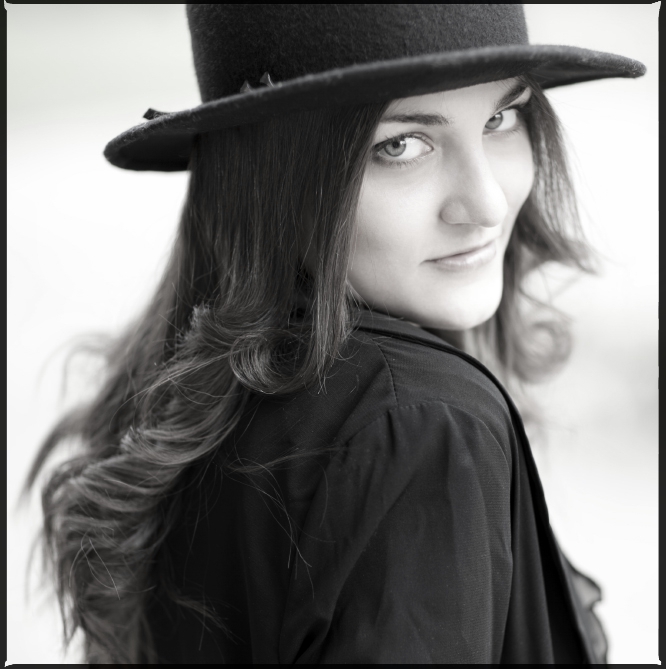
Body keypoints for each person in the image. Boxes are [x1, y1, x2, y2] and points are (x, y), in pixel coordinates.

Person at [23, 4, 646, 664]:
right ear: (280, 171)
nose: (487, 202)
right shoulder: (418, 422)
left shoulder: (192, 397)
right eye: (401, 145)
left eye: (500, 118)